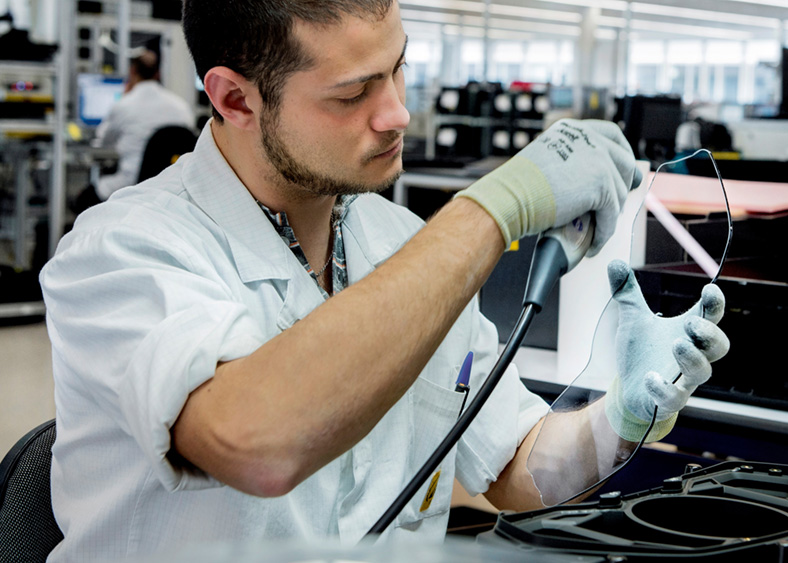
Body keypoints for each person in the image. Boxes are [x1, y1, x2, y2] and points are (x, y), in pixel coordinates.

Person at [39, 1, 729, 560]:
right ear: (235, 99)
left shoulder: (395, 242)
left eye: (398, 70)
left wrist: (623, 417)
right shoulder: (121, 252)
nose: (397, 111)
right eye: (352, 93)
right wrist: (488, 213)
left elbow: (514, 464)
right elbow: (256, 441)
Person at [92, 48, 196, 200]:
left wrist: (125, 95)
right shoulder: (181, 106)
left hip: (129, 185)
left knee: (85, 197)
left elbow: (103, 141)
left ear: (132, 71)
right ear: (158, 74)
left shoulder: (124, 104)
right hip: (170, 189)